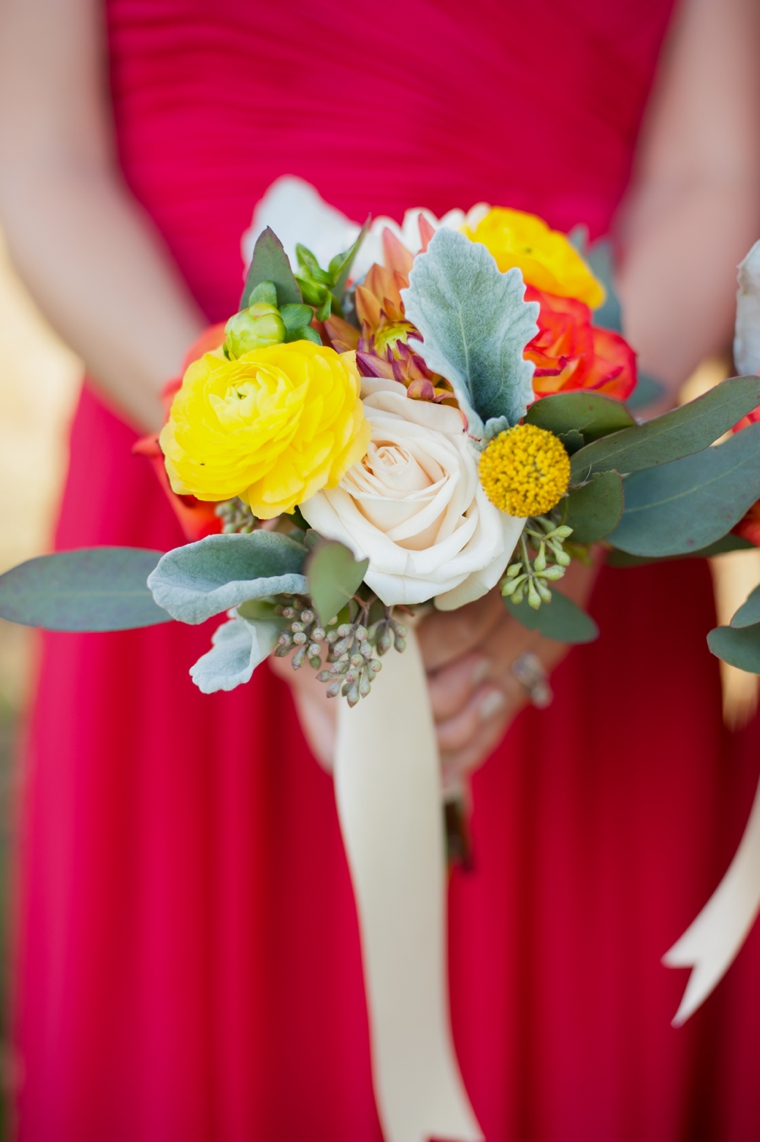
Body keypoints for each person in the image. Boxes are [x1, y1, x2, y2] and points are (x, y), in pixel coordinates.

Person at [0, 0, 759, 1138]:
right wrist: (259, 480)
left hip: (574, 471)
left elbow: (710, 166)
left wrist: (555, 493)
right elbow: (44, 157)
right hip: (187, 465)